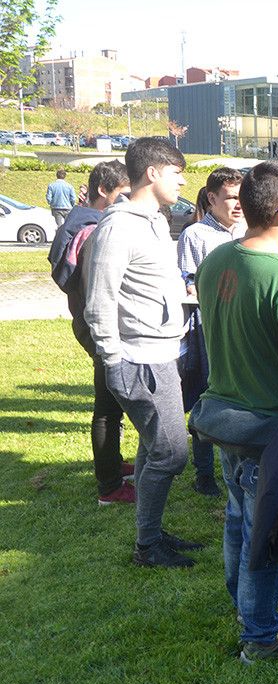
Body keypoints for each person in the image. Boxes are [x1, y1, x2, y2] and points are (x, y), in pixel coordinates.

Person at [194, 159, 278, 661]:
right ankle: (260, 635)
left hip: (224, 420)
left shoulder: (217, 261)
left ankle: (243, 607)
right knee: (261, 534)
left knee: (238, 519)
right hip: (267, 430)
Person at [81, 138, 199, 567]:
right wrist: (114, 362)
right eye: (175, 172)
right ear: (152, 173)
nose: (183, 180)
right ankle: (147, 547)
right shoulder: (119, 226)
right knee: (171, 452)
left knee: (153, 448)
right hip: (138, 357)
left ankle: (150, 534)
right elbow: (99, 301)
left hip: (162, 351)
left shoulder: (152, 220)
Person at [48, 160, 134, 505]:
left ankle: (111, 464)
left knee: (110, 404)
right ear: (103, 191)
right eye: (124, 194)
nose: (130, 202)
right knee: (107, 407)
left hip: (86, 323)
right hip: (100, 327)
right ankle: (110, 486)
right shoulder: (95, 229)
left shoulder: (78, 221)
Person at [177, 167, 245, 497]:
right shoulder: (196, 236)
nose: (237, 204)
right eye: (230, 197)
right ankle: (204, 473)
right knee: (206, 399)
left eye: (241, 196)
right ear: (212, 197)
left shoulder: (247, 231)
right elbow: (188, 285)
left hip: (241, 332)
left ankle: (238, 465)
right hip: (208, 331)